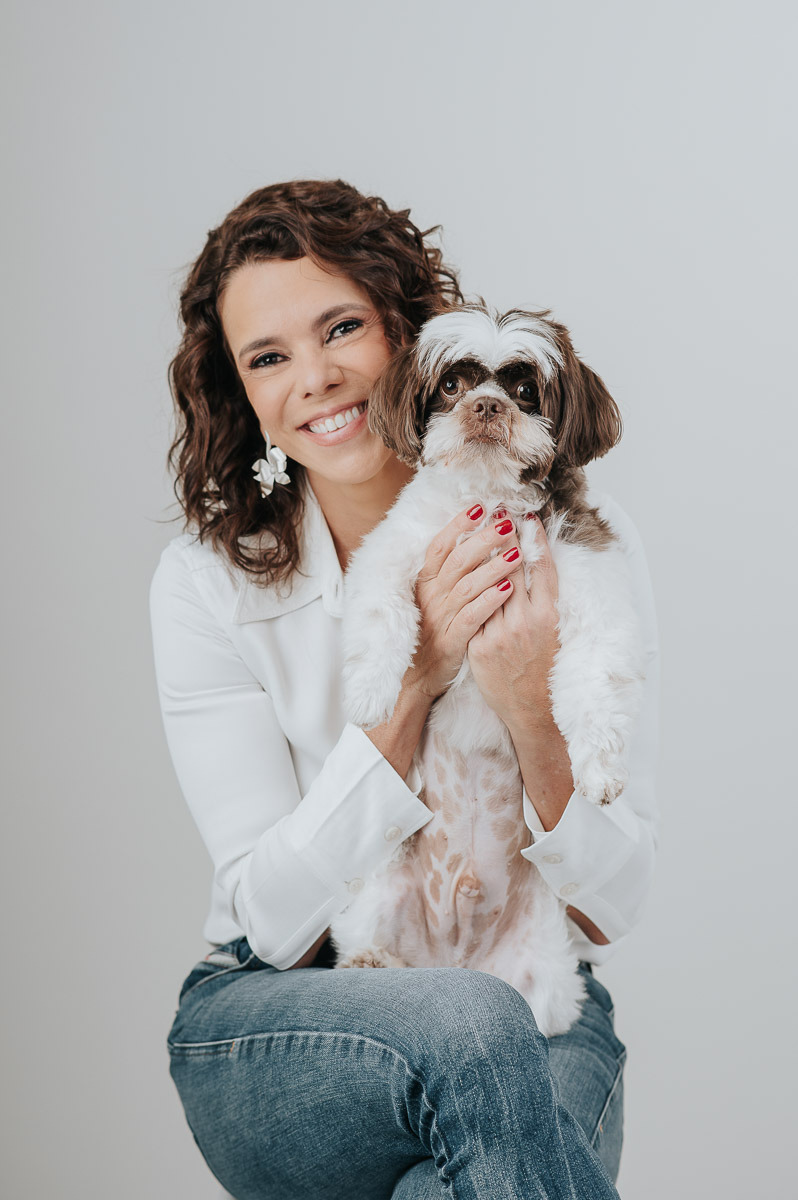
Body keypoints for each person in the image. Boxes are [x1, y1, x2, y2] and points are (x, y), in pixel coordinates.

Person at [149, 178, 659, 1200]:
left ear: (407, 338)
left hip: (525, 973)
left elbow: (612, 903)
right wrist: (417, 681)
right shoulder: (207, 585)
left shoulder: (577, 548)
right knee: (470, 1022)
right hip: (286, 1014)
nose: (318, 379)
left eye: (343, 327)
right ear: (241, 393)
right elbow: (273, 921)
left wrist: (528, 712)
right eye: (268, 357)